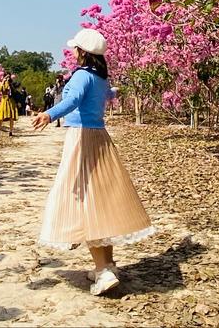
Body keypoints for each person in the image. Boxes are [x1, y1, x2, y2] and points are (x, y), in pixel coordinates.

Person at [32, 28, 154, 296]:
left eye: (76, 48)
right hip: (100, 137)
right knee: (101, 200)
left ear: (83, 53)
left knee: (85, 201)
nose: (73, 52)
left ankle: (103, 270)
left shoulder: (80, 76)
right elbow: (108, 95)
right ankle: (107, 263)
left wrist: (49, 114)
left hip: (81, 139)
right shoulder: (100, 79)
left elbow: (73, 100)